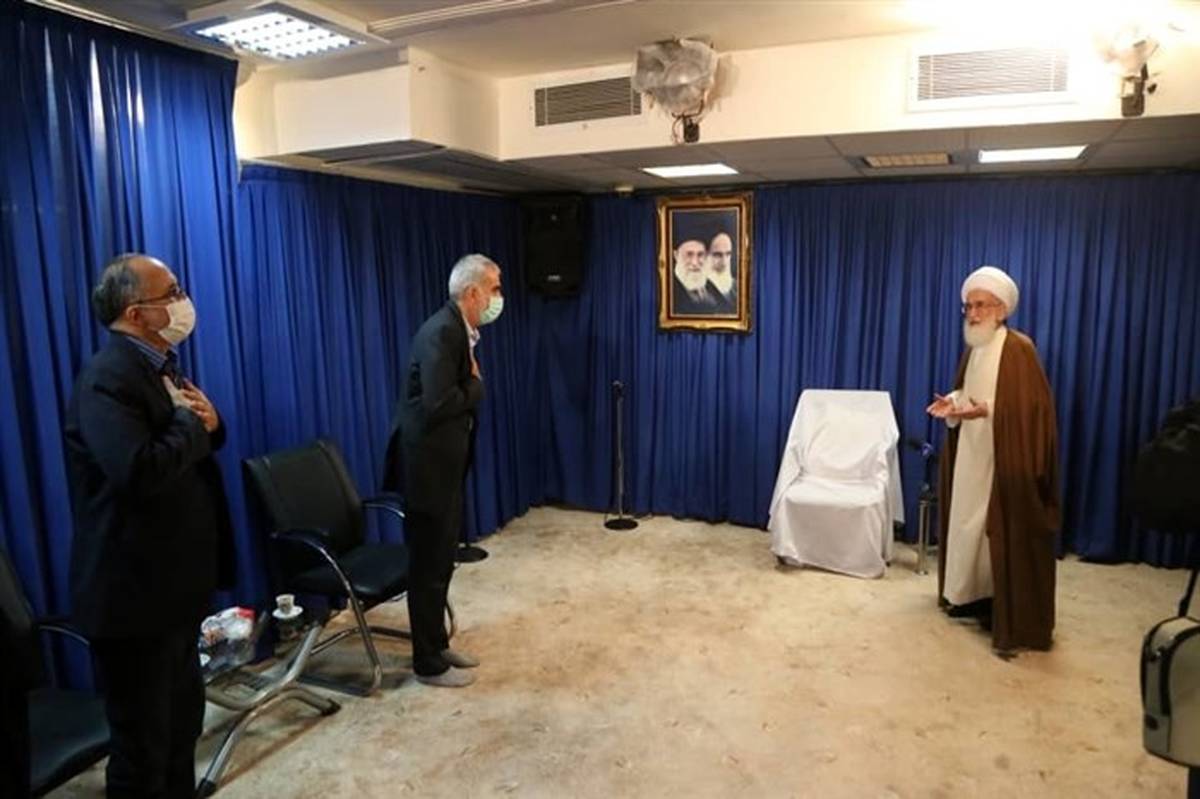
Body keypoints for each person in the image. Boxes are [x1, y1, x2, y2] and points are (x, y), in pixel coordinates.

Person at [64, 253, 234, 797]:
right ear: (136, 313)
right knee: (143, 748)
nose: (184, 302)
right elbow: (138, 470)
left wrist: (212, 424)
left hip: (172, 590)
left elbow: (189, 442)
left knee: (182, 727)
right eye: (172, 293)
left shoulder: (159, 364)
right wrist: (189, 423)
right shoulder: (107, 378)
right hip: (131, 598)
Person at [926, 265, 1060, 657]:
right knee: (968, 527)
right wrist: (953, 402)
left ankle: (1005, 607)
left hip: (1004, 458)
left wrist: (985, 409)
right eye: (968, 306)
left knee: (1000, 532)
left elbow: (1031, 410)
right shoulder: (975, 347)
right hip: (972, 454)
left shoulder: (1019, 348)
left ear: (1001, 310)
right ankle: (972, 596)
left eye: (981, 305)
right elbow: (968, 392)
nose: (973, 313)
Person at [383, 253, 503, 688]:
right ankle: (427, 663)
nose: (497, 298)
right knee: (428, 567)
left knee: (441, 563)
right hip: (426, 469)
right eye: (494, 288)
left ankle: (437, 643)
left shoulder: (458, 329)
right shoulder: (442, 332)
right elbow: (438, 403)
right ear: (472, 292)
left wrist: (468, 383)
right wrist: (476, 385)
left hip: (444, 466)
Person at [671, 237, 717, 315]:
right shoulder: (668, 291)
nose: (695, 263)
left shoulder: (712, 289)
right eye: (689, 255)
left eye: (700, 255)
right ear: (676, 255)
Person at [704, 231, 737, 314]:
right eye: (718, 255)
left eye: (728, 254)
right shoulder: (698, 292)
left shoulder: (737, 287)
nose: (724, 262)